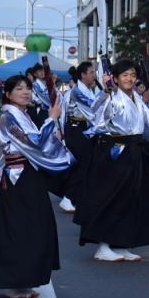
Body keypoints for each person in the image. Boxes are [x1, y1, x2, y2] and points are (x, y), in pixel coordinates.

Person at [74, 59, 149, 262]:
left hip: (135, 151)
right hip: (114, 152)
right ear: (114, 78)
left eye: (132, 75)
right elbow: (96, 117)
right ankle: (103, 245)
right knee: (110, 198)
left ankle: (121, 242)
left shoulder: (137, 99)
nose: (129, 79)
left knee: (132, 198)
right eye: (125, 75)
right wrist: (106, 93)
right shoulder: (109, 96)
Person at [0, 75, 74, 298]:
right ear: (8, 94)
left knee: (33, 227)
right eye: (19, 88)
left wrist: (53, 129)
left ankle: (24, 280)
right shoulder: (8, 118)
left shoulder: (23, 115)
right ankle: (13, 283)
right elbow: (34, 143)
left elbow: (40, 142)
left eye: (28, 88)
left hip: (29, 176)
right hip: (17, 179)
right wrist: (51, 119)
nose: (25, 92)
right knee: (18, 229)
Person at [58, 61, 101, 214]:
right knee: (81, 164)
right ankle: (68, 197)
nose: (94, 75)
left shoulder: (87, 89)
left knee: (85, 164)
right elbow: (94, 107)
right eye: (91, 73)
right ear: (83, 75)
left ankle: (77, 197)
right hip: (75, 129)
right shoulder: (77, 91)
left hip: (82, 128)